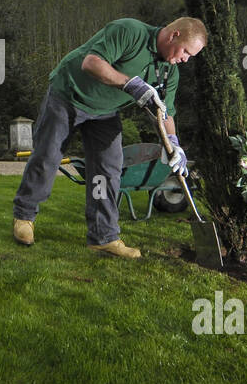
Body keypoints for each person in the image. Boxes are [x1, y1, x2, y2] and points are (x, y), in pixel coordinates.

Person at [13, 17, 207, 258]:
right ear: (174, 35)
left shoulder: (169, 72)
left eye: (191, 56)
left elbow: (165, 112)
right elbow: (91, 63)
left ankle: (102, 237)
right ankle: (25, 215)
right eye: (186, 52)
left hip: (104, 112)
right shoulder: (129, 31)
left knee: (106, 170)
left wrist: (174, 143)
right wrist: (131, 84)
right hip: (68, 94)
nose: (186, 59)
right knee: (48, 157)